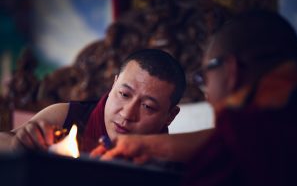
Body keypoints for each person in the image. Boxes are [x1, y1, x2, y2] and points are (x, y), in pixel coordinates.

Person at [93, 10, 297, 186]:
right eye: (123, 93)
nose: (207, 96)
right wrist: (148, 145)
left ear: (230, 71)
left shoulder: (234, 143)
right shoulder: (293, 117)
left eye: (204, 79)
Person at [0, 48, 187, 155]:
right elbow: (6, 139)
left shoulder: (170, 159)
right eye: (124, 94)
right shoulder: (65, 116)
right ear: (114, 84)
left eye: (148, 106)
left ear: (170, 116)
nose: (127, 114)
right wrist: (18, 142)